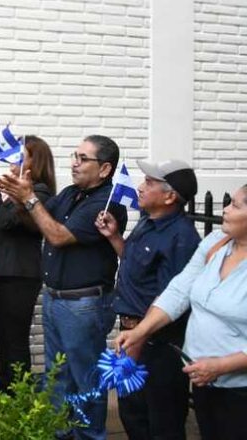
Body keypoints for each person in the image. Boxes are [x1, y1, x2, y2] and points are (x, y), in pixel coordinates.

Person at [0, 135, 127, 440]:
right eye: (74, 155)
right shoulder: (70, 193)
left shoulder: (107, 204)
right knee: (57, 376)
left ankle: (90, 435)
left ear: (105, 169)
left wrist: (29, 199)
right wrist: (19, 193)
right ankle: (59, 432)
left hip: (84, 305)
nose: (74, 163)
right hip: (54, 298)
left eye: (83, 158)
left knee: (86, 379)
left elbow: (57, 235)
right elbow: (40, 215)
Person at [116, 183, 247, 440]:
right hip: (203, 379)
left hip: (239, 388)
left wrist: (222, 365)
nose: (226, 210)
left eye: (236, 205)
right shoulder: (215, 244)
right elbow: (179, 291)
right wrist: (139, 332)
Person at [95, 160, 200, 440]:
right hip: (132, 334)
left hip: (156, 343)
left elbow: (170, 298)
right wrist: (115, 237)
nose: (141, 188)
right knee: (133, 413)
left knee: (161, 419)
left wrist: (138, 340)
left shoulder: (182, 237)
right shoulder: (147, 222)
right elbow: (134, 263)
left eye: (150, 183)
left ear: (170, 196)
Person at [0, 135, 56, 391]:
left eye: (21, 153)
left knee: (15, 341)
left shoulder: (38, 192)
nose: (12, 157)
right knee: (2, 339)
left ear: (34, 161)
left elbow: (7, 221)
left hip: (17, 278)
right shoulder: (5, 187)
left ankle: (18, 399)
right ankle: (6, 392)